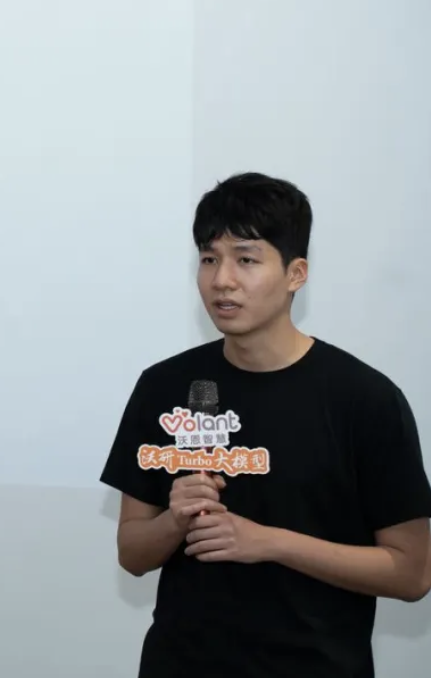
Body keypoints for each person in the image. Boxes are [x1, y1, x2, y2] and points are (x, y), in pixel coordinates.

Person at [99, 172, 431, 678]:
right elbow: (132, 554)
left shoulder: (365, 399)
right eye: (209, 259)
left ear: (296, 274)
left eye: (246, 259)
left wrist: (269, 542)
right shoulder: (166, 386)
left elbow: (413, 572)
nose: (222, 280)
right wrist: (174, 520)